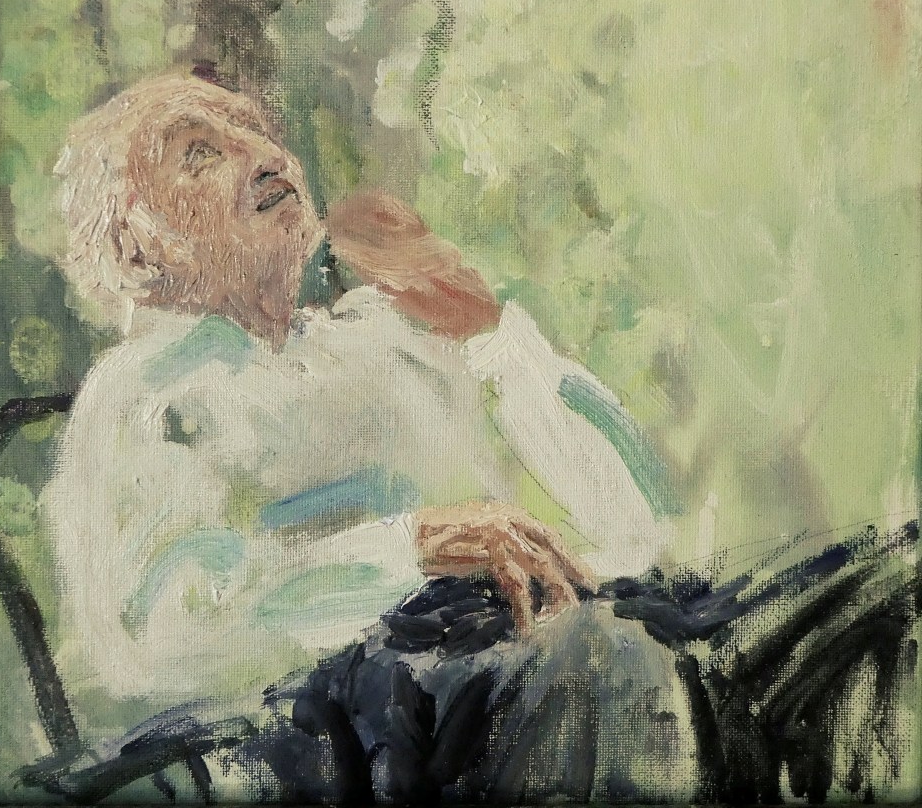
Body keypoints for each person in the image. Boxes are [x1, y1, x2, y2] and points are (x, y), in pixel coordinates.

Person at [42, 72, 682, 800]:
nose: (264, 155)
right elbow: (161, 636)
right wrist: (412, 547)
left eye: (258, 132)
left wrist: (491, 334)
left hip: (502, 678)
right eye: (200, 154)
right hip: (319, 739)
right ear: (136, 251)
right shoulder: (144, 393)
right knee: (602, 659)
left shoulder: (379, 340)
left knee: (758, 623)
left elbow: (635, 528)